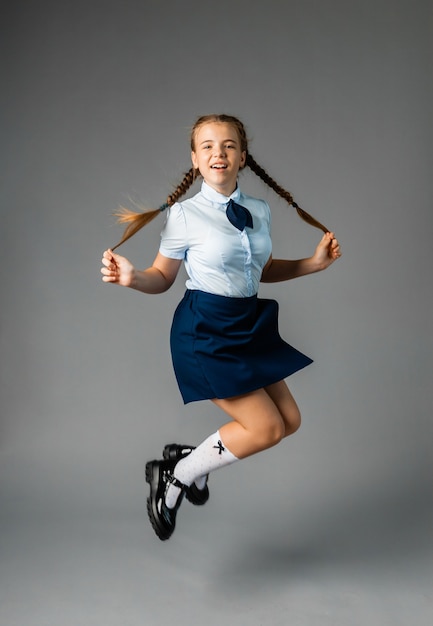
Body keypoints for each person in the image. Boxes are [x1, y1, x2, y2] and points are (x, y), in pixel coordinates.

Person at [101, 114, 341, 541]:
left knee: (289, 419)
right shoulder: (184, 216)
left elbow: (259, 268)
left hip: (247, 325)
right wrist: (132, 278)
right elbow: (162, 277)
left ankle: (185, 461)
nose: (219, 153)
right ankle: (177, 475)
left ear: (242, 156)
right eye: (208, 146)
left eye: (229, 145)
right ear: (195, 159)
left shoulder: (259, 211)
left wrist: (313, 264)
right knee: (265, 428)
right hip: (206, 331)